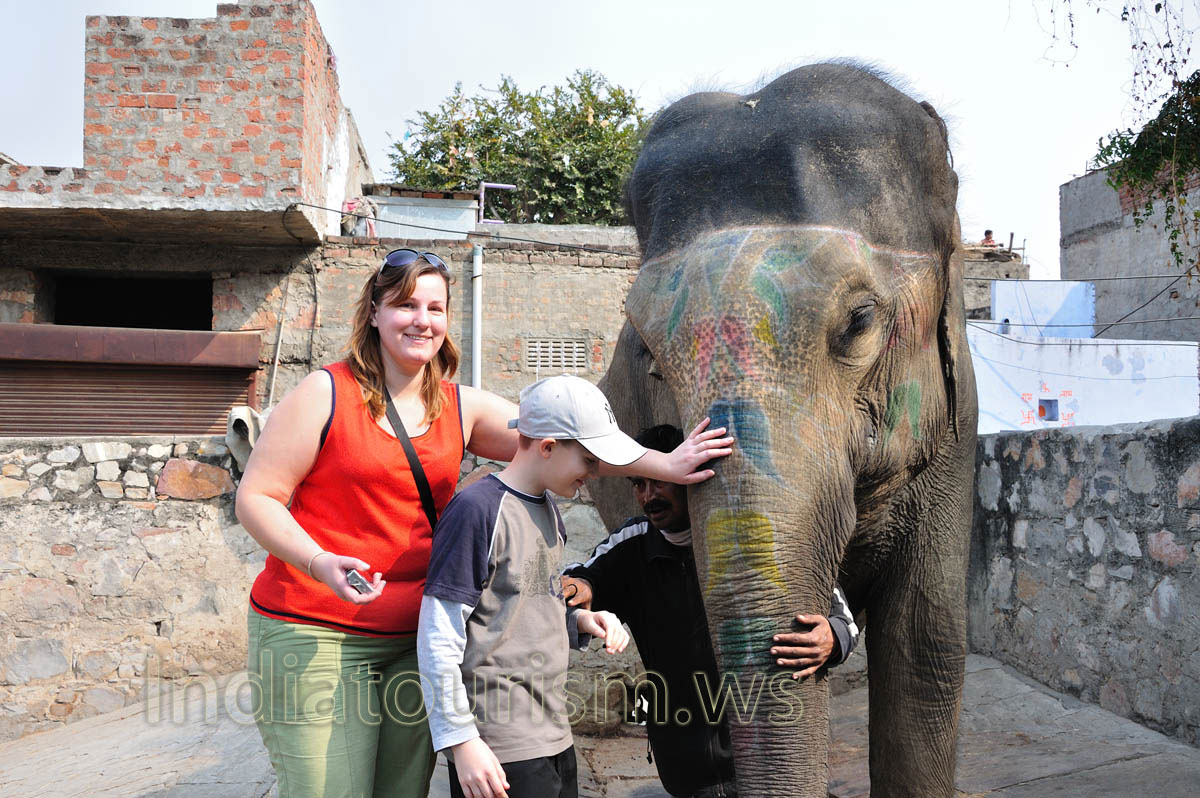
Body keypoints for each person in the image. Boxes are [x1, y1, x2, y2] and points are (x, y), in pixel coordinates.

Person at [235, 249, 733, 798]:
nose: (421, 319)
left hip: (411, 639)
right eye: (405, 305)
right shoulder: (324, 395)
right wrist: (317, 559)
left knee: (401, 791)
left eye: (435, 307)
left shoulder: (459, 406)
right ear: (374, 310)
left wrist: (668, 464)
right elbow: (256, 498)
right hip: (316, 627)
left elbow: (567, 442)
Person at [561, 424, 862, 798]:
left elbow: (843, 617)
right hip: (687, 766)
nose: (648, 496)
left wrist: (832, 637)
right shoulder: (632, 547)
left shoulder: (756, 534)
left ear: (688, 474)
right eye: (638, 484)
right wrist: (582, 588)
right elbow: (574, 584)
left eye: (658, 481)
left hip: (768, 755)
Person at [418, 375, 647, 798]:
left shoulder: (549, 512)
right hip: (498, 743)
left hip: (553, 731)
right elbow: (438, 636)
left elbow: (527, 608)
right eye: (588, 460)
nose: (594, 474)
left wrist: (581, 619)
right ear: (547, 447)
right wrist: (461, 741)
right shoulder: (476, 511)